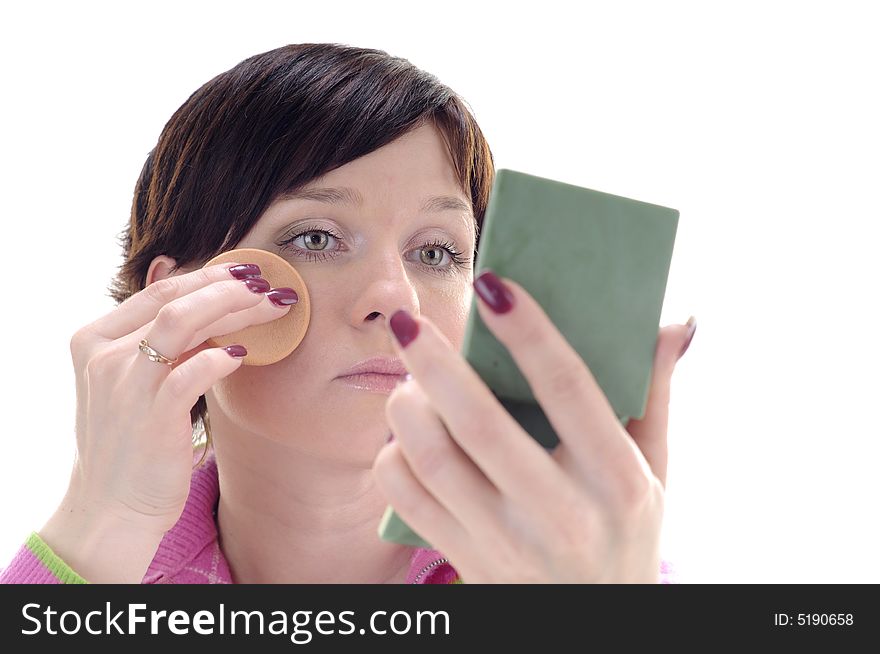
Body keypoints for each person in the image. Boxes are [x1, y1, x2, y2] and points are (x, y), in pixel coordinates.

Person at [0, 43, 693, 585]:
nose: (396, 297)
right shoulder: (96, 574)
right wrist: (99, 529)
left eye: (437, 251)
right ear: (178, 297)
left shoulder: (583, 573)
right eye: (315, 238)